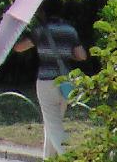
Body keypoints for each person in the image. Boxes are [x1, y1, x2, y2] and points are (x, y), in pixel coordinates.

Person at [15, 10, 87, 158]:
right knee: (53, 124)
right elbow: (82, 56)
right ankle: (48, 159)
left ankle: (69, 158)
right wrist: (66, 53)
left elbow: (19, 47)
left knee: (54, 126)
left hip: (46, 83)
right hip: (65, 83)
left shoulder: (40, 31)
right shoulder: (70, 30)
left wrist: (22, 29)